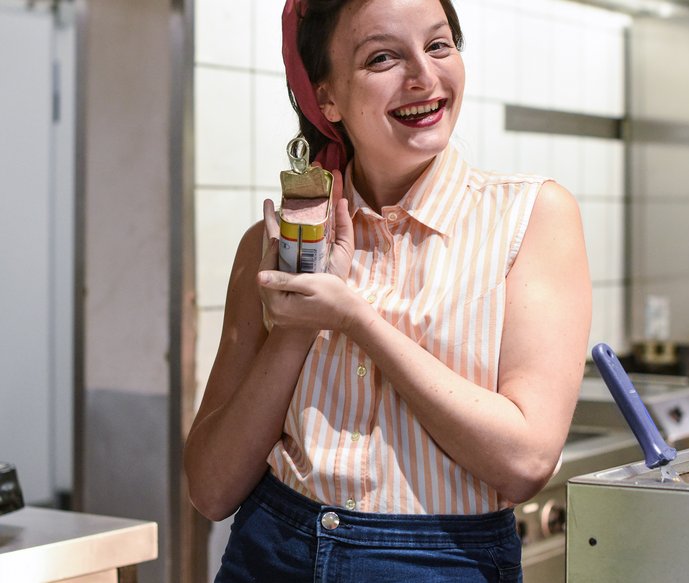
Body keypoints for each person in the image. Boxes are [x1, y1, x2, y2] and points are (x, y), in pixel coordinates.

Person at [183, 0, 591, 581]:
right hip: (270, 550)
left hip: (440, 562)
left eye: (439, 45)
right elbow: (211, 488)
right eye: (382, 58)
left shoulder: (530, 217)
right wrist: (297, 325)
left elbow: (525, 462)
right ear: (327, 98)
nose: (424, 76)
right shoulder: (273, 245)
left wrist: (358, 320)